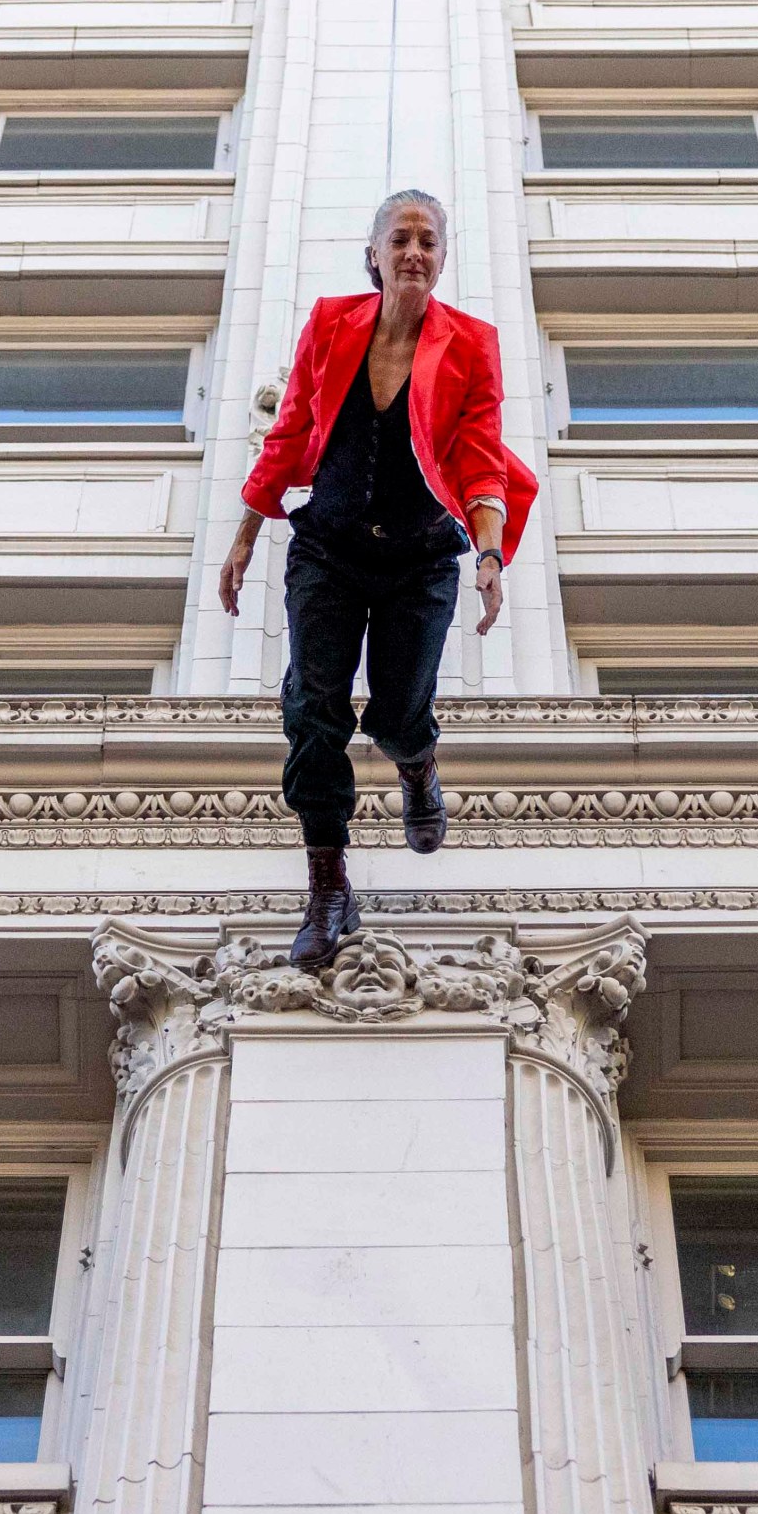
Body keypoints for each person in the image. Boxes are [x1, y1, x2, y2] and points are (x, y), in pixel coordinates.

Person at [218, 190, 537, 969]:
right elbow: (293, 426)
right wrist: (246, 533)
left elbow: (481, 456)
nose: (415, 252)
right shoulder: (332, 323)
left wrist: (489, 555)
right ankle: (328, 883)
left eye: (430, 240)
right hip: (327, 546)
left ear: (443, 258)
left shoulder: (470, 344)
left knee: (395, 712)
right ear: (375, 253)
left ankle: (416, 759)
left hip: (421, 556)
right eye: (401, 238)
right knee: (313, 705)